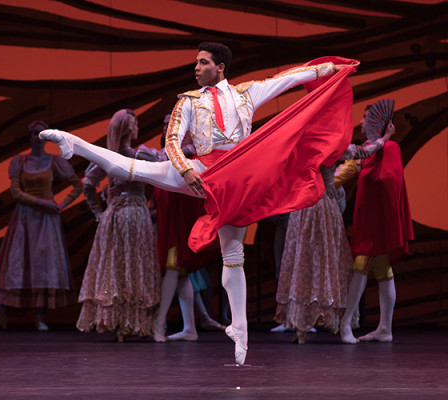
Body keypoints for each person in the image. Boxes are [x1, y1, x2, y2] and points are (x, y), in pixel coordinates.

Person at [40, 43, 357, 365]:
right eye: (196, 63)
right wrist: (186, 169)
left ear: (219, 67)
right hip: (204, 172)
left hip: (238, 178)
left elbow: (288, 79)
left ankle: (240, 329)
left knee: (233, 253)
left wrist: (334, 68)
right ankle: (74, 142)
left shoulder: (247, 93)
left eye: (202, 62)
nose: (196, 67)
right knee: (133, 168)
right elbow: (172, 142)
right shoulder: (188, 101)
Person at [274, 125, 395, 343]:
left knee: (305, 260)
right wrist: (385, 138)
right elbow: (363, 152)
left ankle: (302, 328)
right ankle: (331, 323)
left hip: (302, 208)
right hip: (321, 207)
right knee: (326, 260)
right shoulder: (329, 146)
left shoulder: (301, 145)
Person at [0, 121, 82, 331]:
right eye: (35, 134)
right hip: (26, 216)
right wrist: (42, 202)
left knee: (43, 265)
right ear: (30, 136)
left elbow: (78, 185)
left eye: (42, 134)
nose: (38, 138)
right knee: (15, 263)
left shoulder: (54, 161)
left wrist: (61, 204)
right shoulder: (20, 161)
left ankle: (39, 316)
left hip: (46, 220)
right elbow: (16, 192)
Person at [76, 109, 161, 341]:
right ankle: (131, 323)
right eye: (134, 125)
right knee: (135, 264)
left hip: (115, 214)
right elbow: (163, 165)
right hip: (133, 213)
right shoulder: (139, 155)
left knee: (116, 265)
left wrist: (99, 212)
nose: (137, 129)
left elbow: (88, 185)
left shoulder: (109, 156)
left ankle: (120, 322)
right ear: (128, 129)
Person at [339, 100, 413, 344]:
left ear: (378, 123)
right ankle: (385, 328)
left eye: (365, 118)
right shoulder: (370, 148)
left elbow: (390, 180)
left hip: (377, 224)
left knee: (361, 265)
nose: (361, 122)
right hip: (370, 221)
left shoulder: (389, 148)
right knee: (383, 271)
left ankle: (346, 323)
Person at [152, 113, 223, 342]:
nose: (166, 128)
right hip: (168, 217)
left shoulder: (191, 154)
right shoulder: (161, 154)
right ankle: (190, 327)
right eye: (164, 124)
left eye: (170, 124)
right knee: (180, 274)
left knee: (174, 267)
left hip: (181, 219)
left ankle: (158, 326)